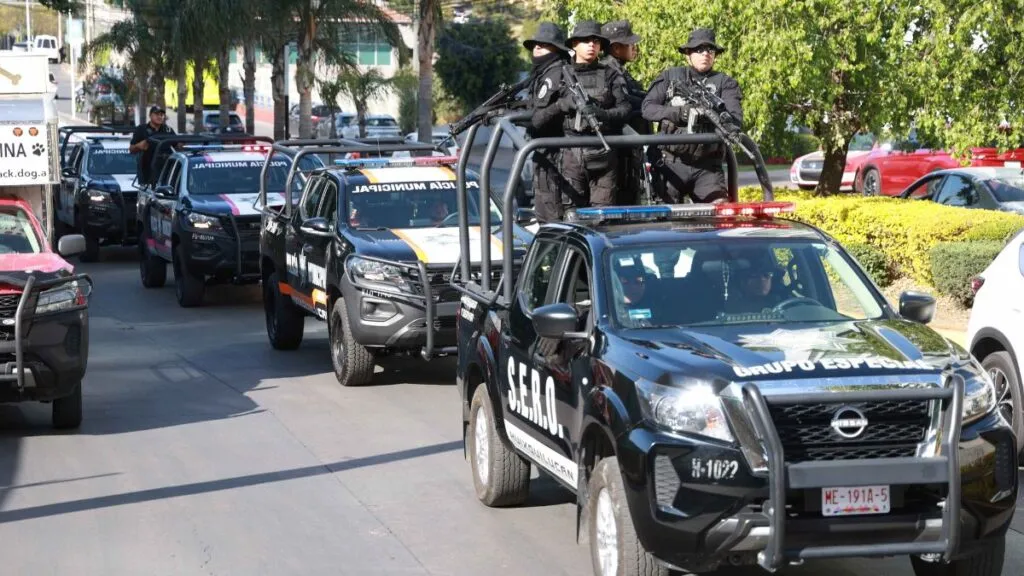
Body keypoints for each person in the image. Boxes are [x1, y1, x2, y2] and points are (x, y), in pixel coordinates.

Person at [642, 28, 743, 204]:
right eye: (699, 49)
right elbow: (647, 109)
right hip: (670, 163)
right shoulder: (670, 76)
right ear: (688, 54)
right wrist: (680, 113)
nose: (705, 54)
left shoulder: (725, 83)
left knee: (718, 214)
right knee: (667, 217)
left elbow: (735, 120)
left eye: (710, 50)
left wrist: (711, 115)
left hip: (707, 167)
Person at [557, 21, 631, 211]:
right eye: (586, 40)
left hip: (603, 152)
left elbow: (625, 109)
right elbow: (546, 110)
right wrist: (566, 104)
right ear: (574, 44)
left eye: (596, 41)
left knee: (603, 216)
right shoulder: (562, 74)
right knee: (572, 214)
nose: (591, 44)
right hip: (571, 151)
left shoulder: (610, 74)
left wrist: (602, 114)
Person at [523, 22, 573, 222]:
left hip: (555, 155)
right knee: (544, 214)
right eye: (536, 44)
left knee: (552, 217)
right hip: (546, 153)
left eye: (543, 45)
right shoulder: (542, 73)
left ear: (556, 49)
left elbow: (538, 119)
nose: (537, 48)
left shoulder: (555, 74)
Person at [601, 19, 650, 205]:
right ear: (616, 48)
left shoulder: (617, 69)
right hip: (620, 151)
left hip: (628, 150)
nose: (634, 48)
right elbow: (625, 100)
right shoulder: (610, 71)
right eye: (629, 44)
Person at [129, 105, 175, 186]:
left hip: (166, 175)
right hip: (147, 176)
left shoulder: (168, 130)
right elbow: (131, 150)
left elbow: (178, 146)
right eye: (156, 114)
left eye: (161, 115)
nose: (159, 117)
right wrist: (138, 146)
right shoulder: (141, 129)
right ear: (150, 115)